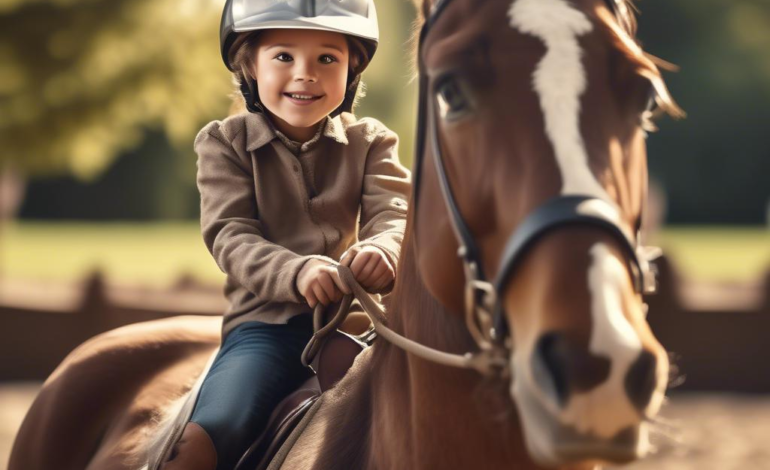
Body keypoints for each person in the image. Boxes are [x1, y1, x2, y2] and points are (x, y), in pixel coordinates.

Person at [160, 1, 410, 469]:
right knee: (221, 424)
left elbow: (396, 212)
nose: (305, 74)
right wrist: (295, 272)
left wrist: (383, 249)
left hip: (363, 322)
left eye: (327, 59)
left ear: (352, 68)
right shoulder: (223, 144)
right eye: (283, 57)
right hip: (267, 330)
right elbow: (230, 234)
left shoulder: (373, 142)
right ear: (248, 64)